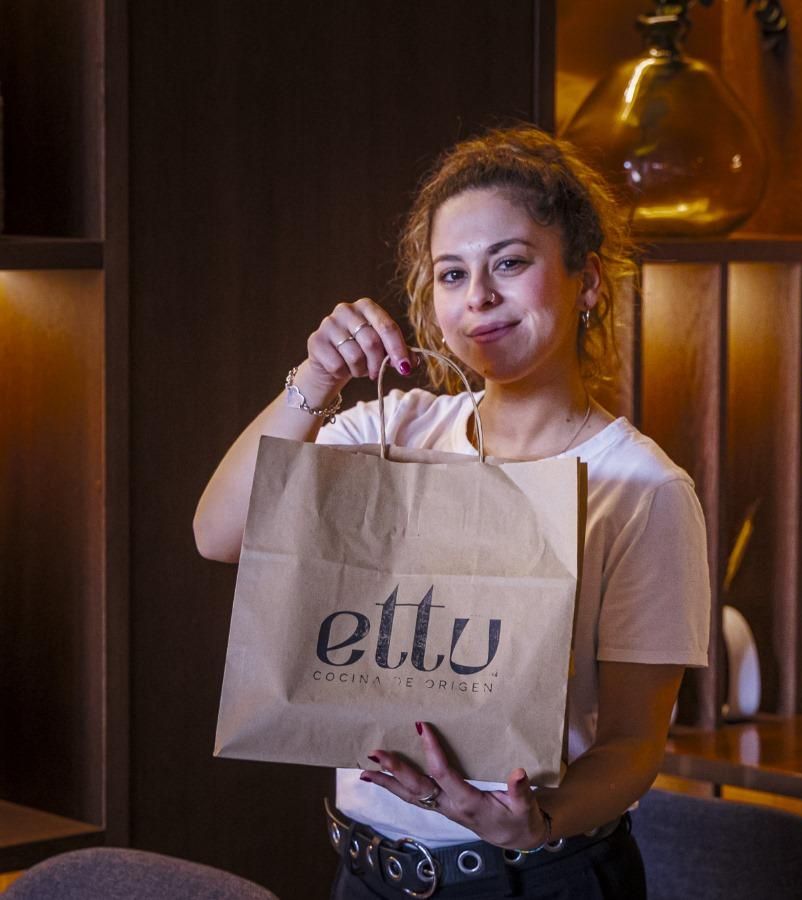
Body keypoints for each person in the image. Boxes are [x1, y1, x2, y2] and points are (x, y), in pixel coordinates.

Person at [193, 125, 711, 899]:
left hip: (537, 879)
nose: (479, 298)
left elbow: (636, 745)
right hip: (365, 873)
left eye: (510, 263)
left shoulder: (642, 487)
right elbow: (220, 534)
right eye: (451, 273)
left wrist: (543, 818)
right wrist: (316, 376)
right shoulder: (391, 429)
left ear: (588, 282)